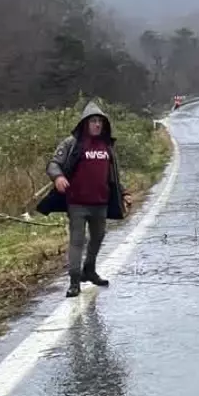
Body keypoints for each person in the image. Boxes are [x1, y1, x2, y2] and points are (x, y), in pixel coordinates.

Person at [36, 100, 131, 297]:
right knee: (77, 240)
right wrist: (58, 177)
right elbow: (54, 163)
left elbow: (113, 175)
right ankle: (74, 281)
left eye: (100, 121)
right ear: (85, 123)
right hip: (77, 202)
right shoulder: (72, 143)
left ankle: (90, 270)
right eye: (93, 121)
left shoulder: (107, 146)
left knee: (98, 237)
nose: (97, 124)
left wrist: (123, 193)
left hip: (101, 202)